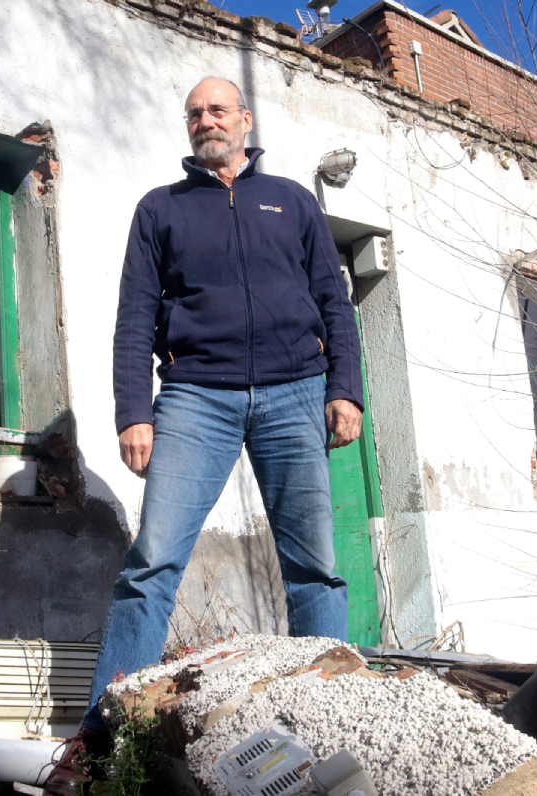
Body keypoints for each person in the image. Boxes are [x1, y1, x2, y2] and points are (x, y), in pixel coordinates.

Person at [42, 77, 365, 795]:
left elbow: (334, 303)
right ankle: (99, 741)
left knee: (314, 565)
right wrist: (135, 410)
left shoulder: (294, 202)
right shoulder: (161, 209)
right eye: (193, 113)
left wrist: (346, 388)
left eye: (217, 110)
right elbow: (135, 318)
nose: (204, 121)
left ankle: (331, 715)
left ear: (245, 121)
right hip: (195, 395)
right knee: (152, 562)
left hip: (295, 390)